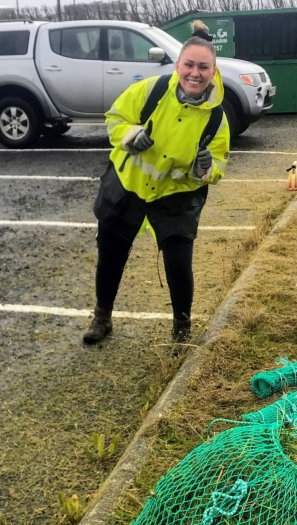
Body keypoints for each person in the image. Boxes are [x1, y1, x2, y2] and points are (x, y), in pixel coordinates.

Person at [82, 37, 230, 348]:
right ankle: (102, 316)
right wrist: (130, 136)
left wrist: (206, 168)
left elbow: (218, 165)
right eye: (189, 64)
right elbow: (115, 118)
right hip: (128, 184)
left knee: (178, 264)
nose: (195, 72)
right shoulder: (152, 90)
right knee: (110, 255)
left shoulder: (216, 118)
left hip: (175, 195)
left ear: (213, 71)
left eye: (203, 67)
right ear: (178, 66)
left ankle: (181, 328)